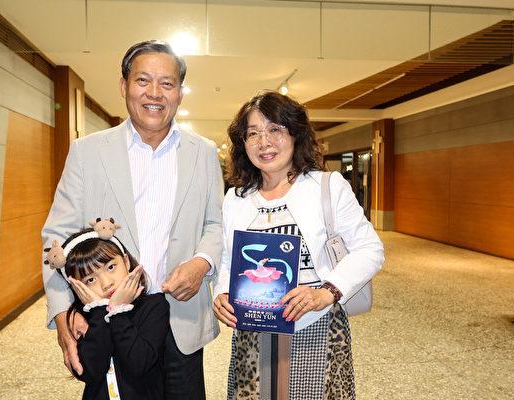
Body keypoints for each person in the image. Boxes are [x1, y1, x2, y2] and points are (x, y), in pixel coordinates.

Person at [42, 40, 223, 400]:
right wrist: (63, 315)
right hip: (111, 319)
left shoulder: (202, 152)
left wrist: (202, 263)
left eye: (167, 83)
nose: (154, 93)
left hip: (181, 319)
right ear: (124, 85)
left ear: (180, 92)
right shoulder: (88, 152)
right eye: (143, 81)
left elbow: (215, 224)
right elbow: (56, 238)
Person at [212, 91, 384, 399]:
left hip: (315, 326)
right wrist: (222, 292)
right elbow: (228, 257)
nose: (264, 142)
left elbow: (370, 249)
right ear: (243, 144)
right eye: (253, 134)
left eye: (275, 129)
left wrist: (326, 293)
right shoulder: (236, 199)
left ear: (295, 133)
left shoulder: (327, 187)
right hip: (252, 331)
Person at [45, 221, 169, 399]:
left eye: (111, 267)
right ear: (77, 287)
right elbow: (88, 372)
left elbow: (140, 363)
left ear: (126, 261)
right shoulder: (83, 318)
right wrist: (99, 313)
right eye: (90, 280)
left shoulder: (154, 306)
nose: (106, 283)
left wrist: (117, 312)